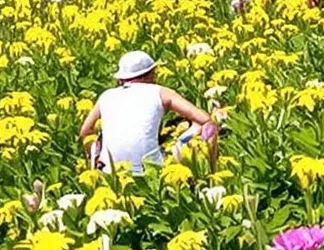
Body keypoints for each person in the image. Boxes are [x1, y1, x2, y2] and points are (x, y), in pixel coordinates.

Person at [79, 50, 220, 174]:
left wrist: (96, 155)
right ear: (150, 74)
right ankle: (209, 172)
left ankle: (99, 166)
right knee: (207, 127)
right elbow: (204, 119)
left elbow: (85, 132)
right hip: (151, 170)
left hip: (110, 172)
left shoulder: (107, 95)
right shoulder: (161, 92)